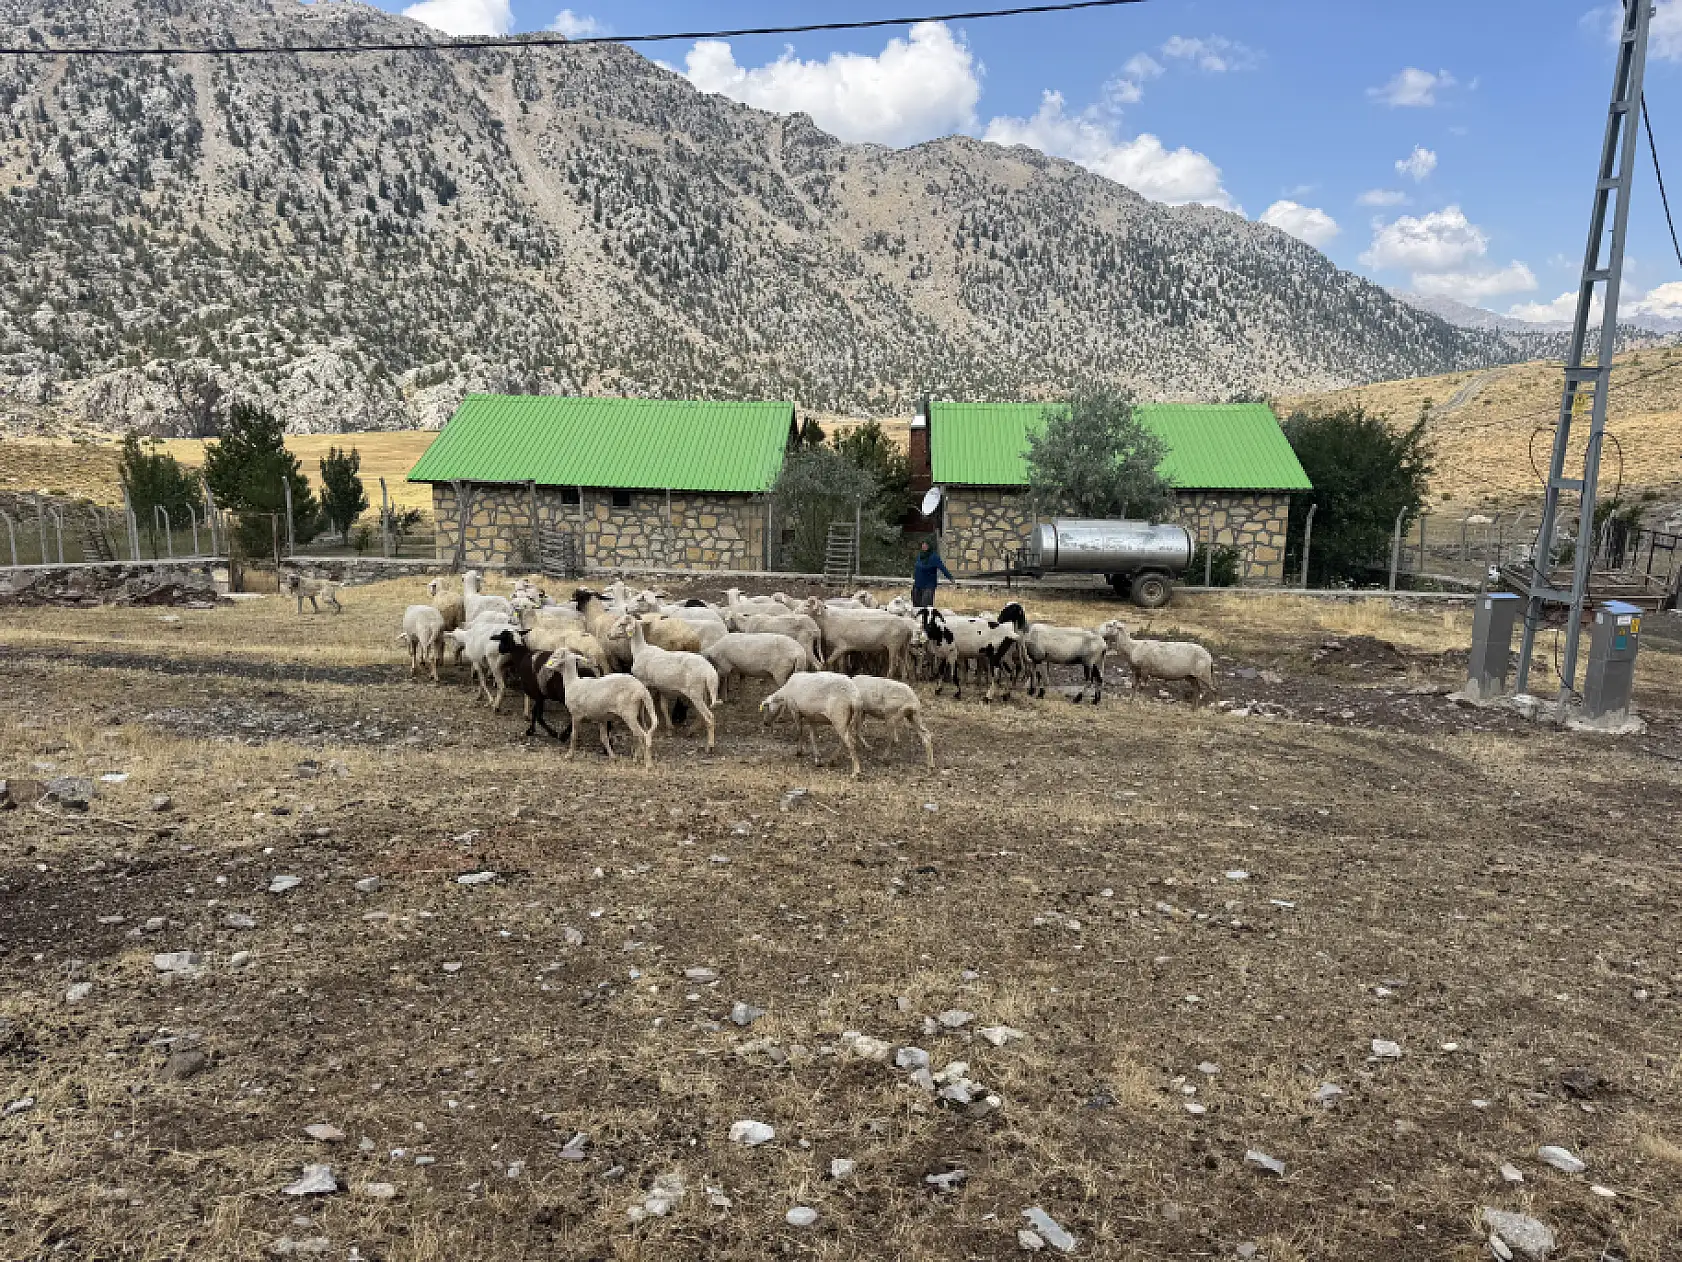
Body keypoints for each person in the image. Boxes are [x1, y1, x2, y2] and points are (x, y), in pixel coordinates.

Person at [911, 538, 954, 608]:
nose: (924, 546)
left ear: (929, 546)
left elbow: (942, 568)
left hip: (928, 585)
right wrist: (914, 575)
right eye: (923, 544)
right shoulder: (920, 556)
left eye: (926, 545)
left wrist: (950, 578)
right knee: (916, 606)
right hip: (918, 584)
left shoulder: (934, 557)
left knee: (926, 606)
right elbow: (917, 567)